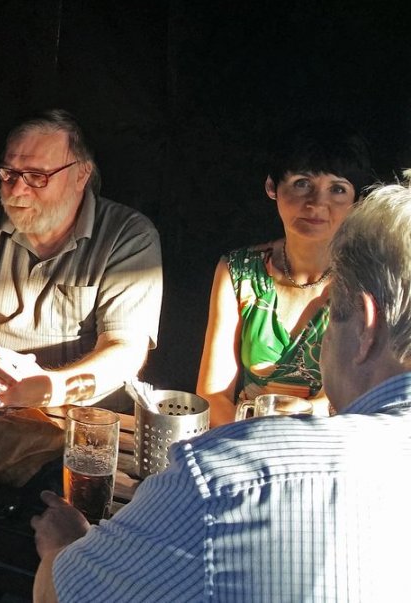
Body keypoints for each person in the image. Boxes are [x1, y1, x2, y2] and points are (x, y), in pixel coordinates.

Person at [30, 170, 411, 602]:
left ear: (364, 327)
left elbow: (61, 595)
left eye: (332, 313)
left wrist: (64, 546)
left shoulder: (225, 480)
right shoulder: (239, 269)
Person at [0, 109, 162, 408]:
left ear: (81, 175)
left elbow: (125, 349)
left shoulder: (128, 236)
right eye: (9, 174)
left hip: (77, 415)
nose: (17, 190)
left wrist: (49, 388)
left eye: (37, 176)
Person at [197, 124, 373, 426]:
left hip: (333, 443)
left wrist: (307, 412)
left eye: (337, 189)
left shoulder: (369, 281)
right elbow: (212, 396)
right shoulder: (239, 271)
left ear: (356, 200)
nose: (317, 203)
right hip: (244, 436)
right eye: (302, 183)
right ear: (272, 186)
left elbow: (366, 393)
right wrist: (250, 441)